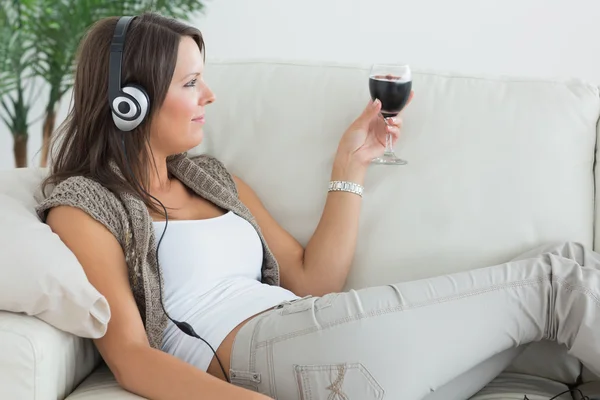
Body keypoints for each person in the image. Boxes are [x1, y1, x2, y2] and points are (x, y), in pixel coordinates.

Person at [36, 12, 600, 400]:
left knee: (562, 264)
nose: (210, 96)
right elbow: (131, 355)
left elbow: (314, 283)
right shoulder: (87, 205)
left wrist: (350, 165)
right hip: (267, 356)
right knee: (557, 284)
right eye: (191, 83)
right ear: (129, 103)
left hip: (317, 335)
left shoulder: (211, 178)